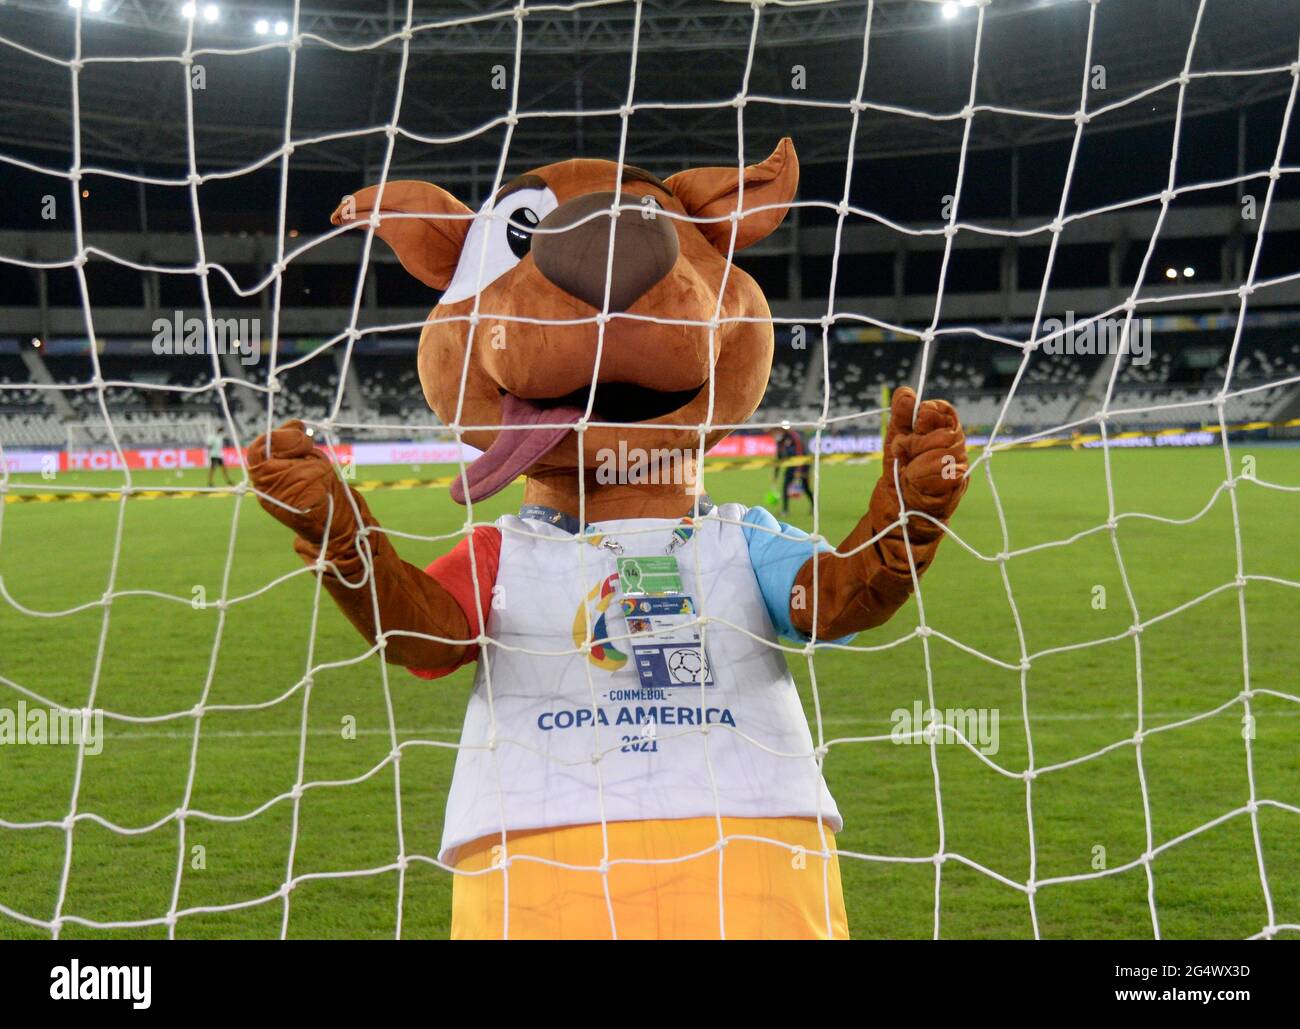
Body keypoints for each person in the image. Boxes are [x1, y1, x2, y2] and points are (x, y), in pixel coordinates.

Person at [773, 428, 814, 516]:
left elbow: (800, 453)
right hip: (791, 467)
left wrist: (799, 470)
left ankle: (814, 507)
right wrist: (775, 476)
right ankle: (785, 510)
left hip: (803, 466)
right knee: (785, 487)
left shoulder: (794, 437)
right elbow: (779, 459)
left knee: (806, 488)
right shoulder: (780, 442)